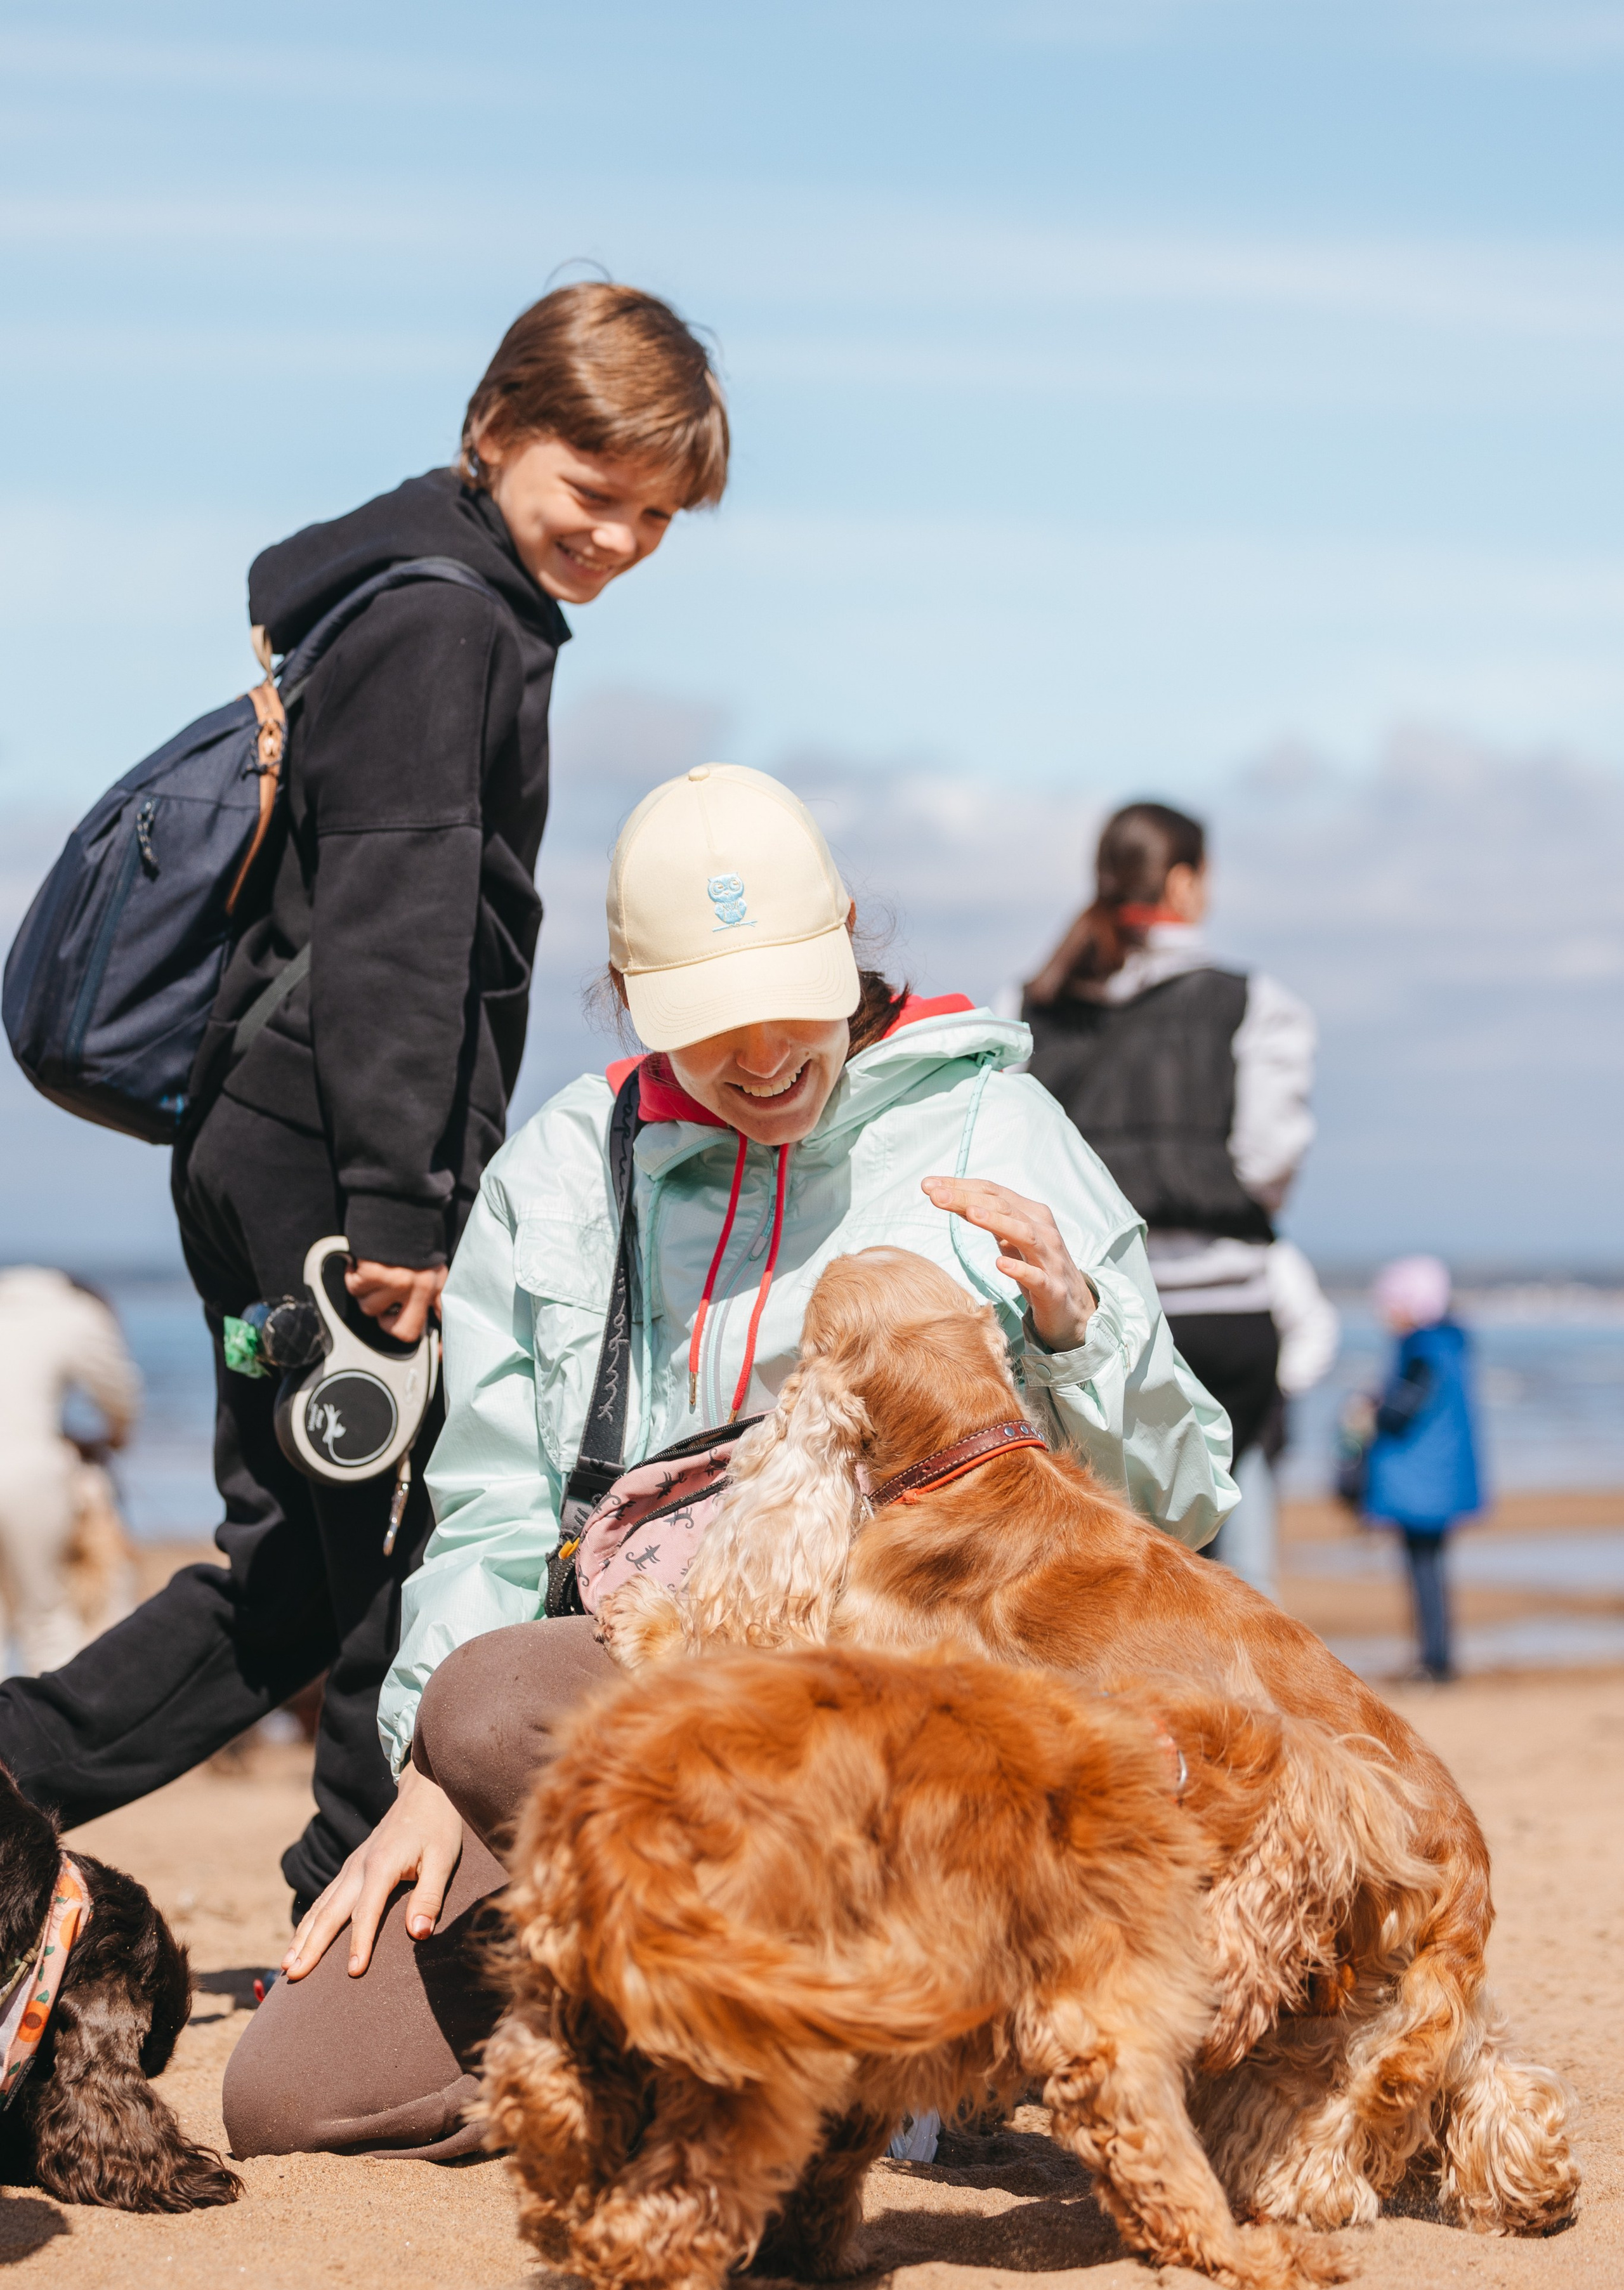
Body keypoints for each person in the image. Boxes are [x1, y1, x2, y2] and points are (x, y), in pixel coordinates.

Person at [220, 761, 1239, 2159]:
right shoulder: (567, 1168)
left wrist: (1074, 1331)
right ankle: (768, 2033)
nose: (760, 1060)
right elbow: (493, 1502)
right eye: (708, 1030)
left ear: (850, 936)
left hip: (919, 1717)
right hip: (656, 1716)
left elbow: (1178, 1506)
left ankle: (839, 2011)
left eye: (788, 1010)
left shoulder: (997, 1131)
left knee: (491, 1697)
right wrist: (426, 1787)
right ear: (630, 996)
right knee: (293, 2091)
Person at [0, 284, 730, 1914]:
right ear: (495, 433)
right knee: (364, 1567)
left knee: (308, 1571)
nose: (615, 537)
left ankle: (53, 1781)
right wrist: (405, 1212)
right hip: (325, 1167)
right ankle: (352, 1903)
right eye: (590, 491)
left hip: (282, 1141)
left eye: (654, 516)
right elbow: (399, 939)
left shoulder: (416, 603)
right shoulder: (442, 623)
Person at [1021, 801, 1316, 1530]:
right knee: (1228, 1556)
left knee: (1112, 1558)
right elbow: (1268, 1164)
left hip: (1087, 1316)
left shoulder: (1031, 1005)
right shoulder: (1253, 1003)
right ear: (1183, 884)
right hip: (1225, 1311)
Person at [0, 1269, 140, 1676]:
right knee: (45, 1617)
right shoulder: (78, 1314)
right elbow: (120, 1395)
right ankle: (53, 1735)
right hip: (30, 1474)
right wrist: (113, 1438)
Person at [1363, 1255, 1484, 1684]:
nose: (1385, 1313)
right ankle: (1436, 1655)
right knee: (1431, 1568)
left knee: (1424, 1569)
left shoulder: (1423, 1349)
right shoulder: (1448, 1344)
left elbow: (1402, 1410)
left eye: (1391, 1303)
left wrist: (1372, 1409)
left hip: (1422, 1481)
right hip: (1438, 1478)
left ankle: (1435, 1660)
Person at [1208, 1240, 1340, 1602]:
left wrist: (1275, 1386)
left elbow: (1317, 1327)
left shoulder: (1270, 1254)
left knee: (1249, 1566)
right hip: (1179, 1431)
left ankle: (1258, 1656)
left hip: (1252, 1429)